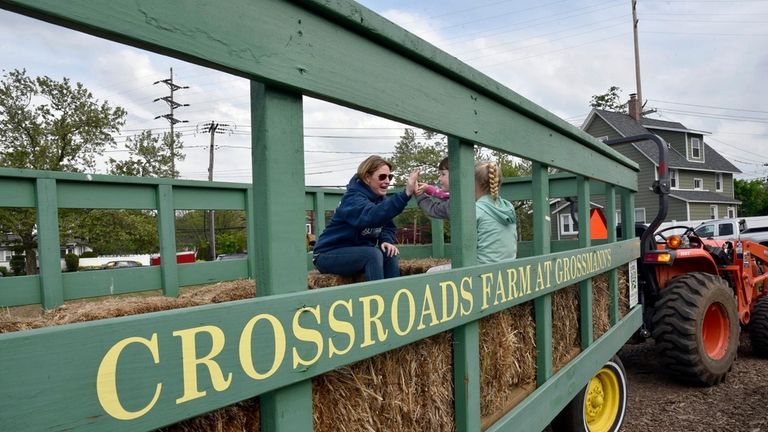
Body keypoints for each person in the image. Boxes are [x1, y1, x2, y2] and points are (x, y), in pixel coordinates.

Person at [312, 155, 419, 281]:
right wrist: (406, 194)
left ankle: (392, 297)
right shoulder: (352, 199)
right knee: (372, 255)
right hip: (327, 254)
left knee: (390, 253)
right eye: (382, 176)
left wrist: (386, 240)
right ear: (367, 178)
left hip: (356, 253)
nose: (387, 181)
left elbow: (388, 226)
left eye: (390, 177)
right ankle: (378, 298)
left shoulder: (380, 200)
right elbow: (372, 216)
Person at [416, 159, 517, 268]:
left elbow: (464, 249)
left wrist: (419, 194)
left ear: (471, 182)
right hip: (508, 267)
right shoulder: (507, 206)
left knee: (431, 273)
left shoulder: (472, 210)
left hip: (480, 269)